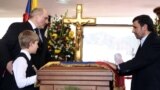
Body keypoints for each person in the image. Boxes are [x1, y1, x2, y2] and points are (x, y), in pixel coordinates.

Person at [0, 8, 49, 90]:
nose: (47, 22)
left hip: (34, 83)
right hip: (15, 83)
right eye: (45, 18)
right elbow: (2, 45)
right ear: (37, 16)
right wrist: (7, 62)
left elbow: (45, 56)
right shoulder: (17, 27)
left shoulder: (42, 35)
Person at [108, 15, 160, 90]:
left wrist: (119, 67)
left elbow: (140, 61)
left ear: (144, 27)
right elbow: (139, 66)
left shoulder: (155, 41)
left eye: (135, 27)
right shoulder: (146, 41)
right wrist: (119, 70)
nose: (133, 31)